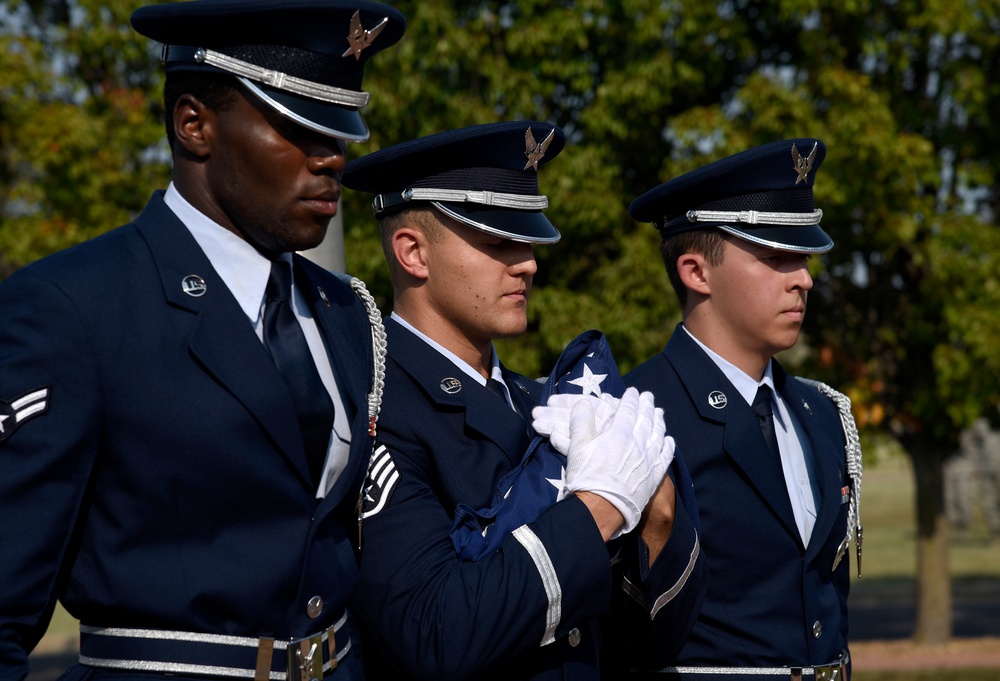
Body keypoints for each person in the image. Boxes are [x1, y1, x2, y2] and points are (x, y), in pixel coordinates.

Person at [0, 1, 404, 680]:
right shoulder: (75, 308)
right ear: (195, 124)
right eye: (298, 125)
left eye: (337, 129)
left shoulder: (344, 310)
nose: (331, 154)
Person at [340, 121, 704, 680]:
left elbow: (648, 651)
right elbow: (435, 633)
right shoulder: (375, 409)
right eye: (496, 242)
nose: (528, 262)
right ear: (413, 253)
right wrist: (600, 509)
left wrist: (657, 521)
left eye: (527, 239)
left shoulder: (541, 402)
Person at [625, 139, 863, 680]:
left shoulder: (820, 412)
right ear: (696, 272)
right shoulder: (636, 415)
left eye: (802, 258)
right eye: (776, 256)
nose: (803, 278)